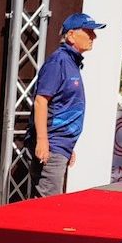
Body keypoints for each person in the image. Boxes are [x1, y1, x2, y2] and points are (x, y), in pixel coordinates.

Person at [28, 13, 105, 198]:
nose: (93, 36)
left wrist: (67, 147)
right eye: (89, 31)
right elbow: (41, 101)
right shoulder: (58, 62)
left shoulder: (70, 62)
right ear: (71, 35)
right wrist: (43, 141)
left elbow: (64, 104)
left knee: (51, 203)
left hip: (59, 145)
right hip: (52, 145)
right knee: (48, 205)